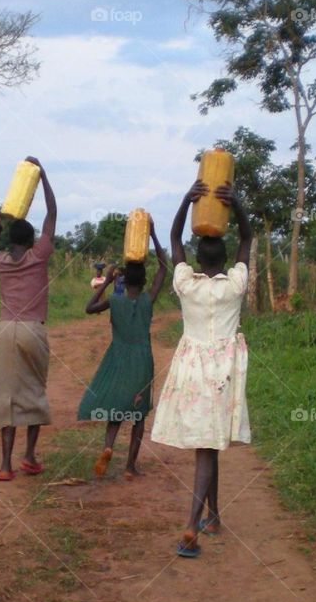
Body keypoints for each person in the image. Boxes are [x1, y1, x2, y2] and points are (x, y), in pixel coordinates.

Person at [150, 180, 252, 557]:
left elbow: (176, 238)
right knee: (209, 446)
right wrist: (236, 204)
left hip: (192, 367)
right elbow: (247, 236)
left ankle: (204, 520)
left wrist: (185, 201)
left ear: (197, 258)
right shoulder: (236, 285)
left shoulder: (185, 284)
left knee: (209, 445)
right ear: (225, 261)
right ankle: (200, 521)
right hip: (224, 369)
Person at [0, 156, 57, 481]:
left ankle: (5, 466)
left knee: (5, 397)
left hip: (3, 331)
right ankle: (29, 457)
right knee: (34, 394)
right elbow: (52, 213)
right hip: (31, 330)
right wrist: (43, 176)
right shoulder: (38, 256)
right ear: (30, 241)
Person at [78, 220, 168, 480]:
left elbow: (89, 308)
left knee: (117, 411)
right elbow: (163, 267)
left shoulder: (115, 300)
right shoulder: (148, 299)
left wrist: (106, 281)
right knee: (138, 414)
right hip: (142, 359)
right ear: (145, 281)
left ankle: (108, 446)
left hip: (117, 357)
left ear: (123, 279)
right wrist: (152, 233)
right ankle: (130, 466)